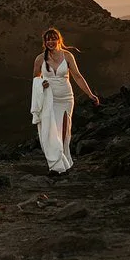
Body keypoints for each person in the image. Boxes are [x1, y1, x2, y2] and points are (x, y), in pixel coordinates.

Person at [29, 27, 99, 175]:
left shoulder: (67, 56)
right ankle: (56, 166)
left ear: (59, 40)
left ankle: (63, 162)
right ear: (44, 42)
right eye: (48, 39)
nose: (50, 42)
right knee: (51, 131)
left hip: (66, 98)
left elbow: (78, 76)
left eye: (53, 38)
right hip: (49, 99)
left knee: (63, 132)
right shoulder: (40, 59)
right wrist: (42, 83)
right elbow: (36, 79)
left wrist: (90, 94)